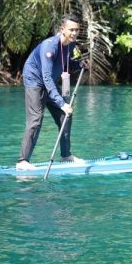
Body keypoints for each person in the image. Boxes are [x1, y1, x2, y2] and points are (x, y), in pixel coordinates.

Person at [16, 13, 87, 170]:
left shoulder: (70, 45)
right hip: (35, 81)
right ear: (62, 29)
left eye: (77, 30)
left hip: (50, 83)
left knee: (65, 115)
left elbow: (65, 63)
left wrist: (79, 64)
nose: (74, 33)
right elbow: (47, 77)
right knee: (35, 119)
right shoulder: (50, 46)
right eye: (71, 30)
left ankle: (66, 156)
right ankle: (22, 161)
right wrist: (61, 103)